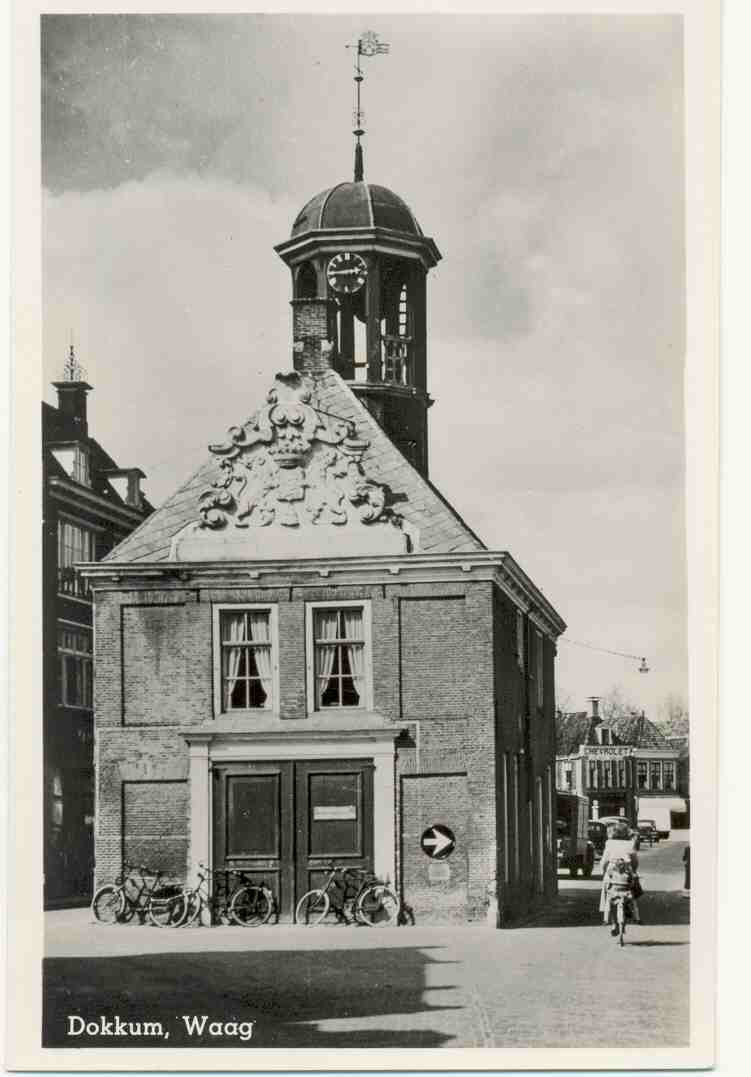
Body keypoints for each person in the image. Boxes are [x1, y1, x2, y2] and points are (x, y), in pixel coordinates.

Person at [599, 820, 642, 924]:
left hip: (612, 871)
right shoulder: (630, 844)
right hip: (626, 872)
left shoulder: (609, 843)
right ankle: (637, 917)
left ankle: (606, 916)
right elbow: (635, 861)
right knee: (633, 891)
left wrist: (603, 871)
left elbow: (604, 861)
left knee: (607, 890)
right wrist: (634, 871)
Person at [602, 856, 639, 934]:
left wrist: (633, 882)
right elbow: (608, 882)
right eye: (619, 865)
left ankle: (636, 918)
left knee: (633, 903)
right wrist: (608, 887)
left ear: (625, 865)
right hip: (615, 893)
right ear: (616, 865)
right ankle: (607, 920)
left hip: (625, 893)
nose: (620, 866)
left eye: (622, 865)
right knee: (609, 904)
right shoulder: (612, 872)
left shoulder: (628, 873)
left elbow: (632, 882)